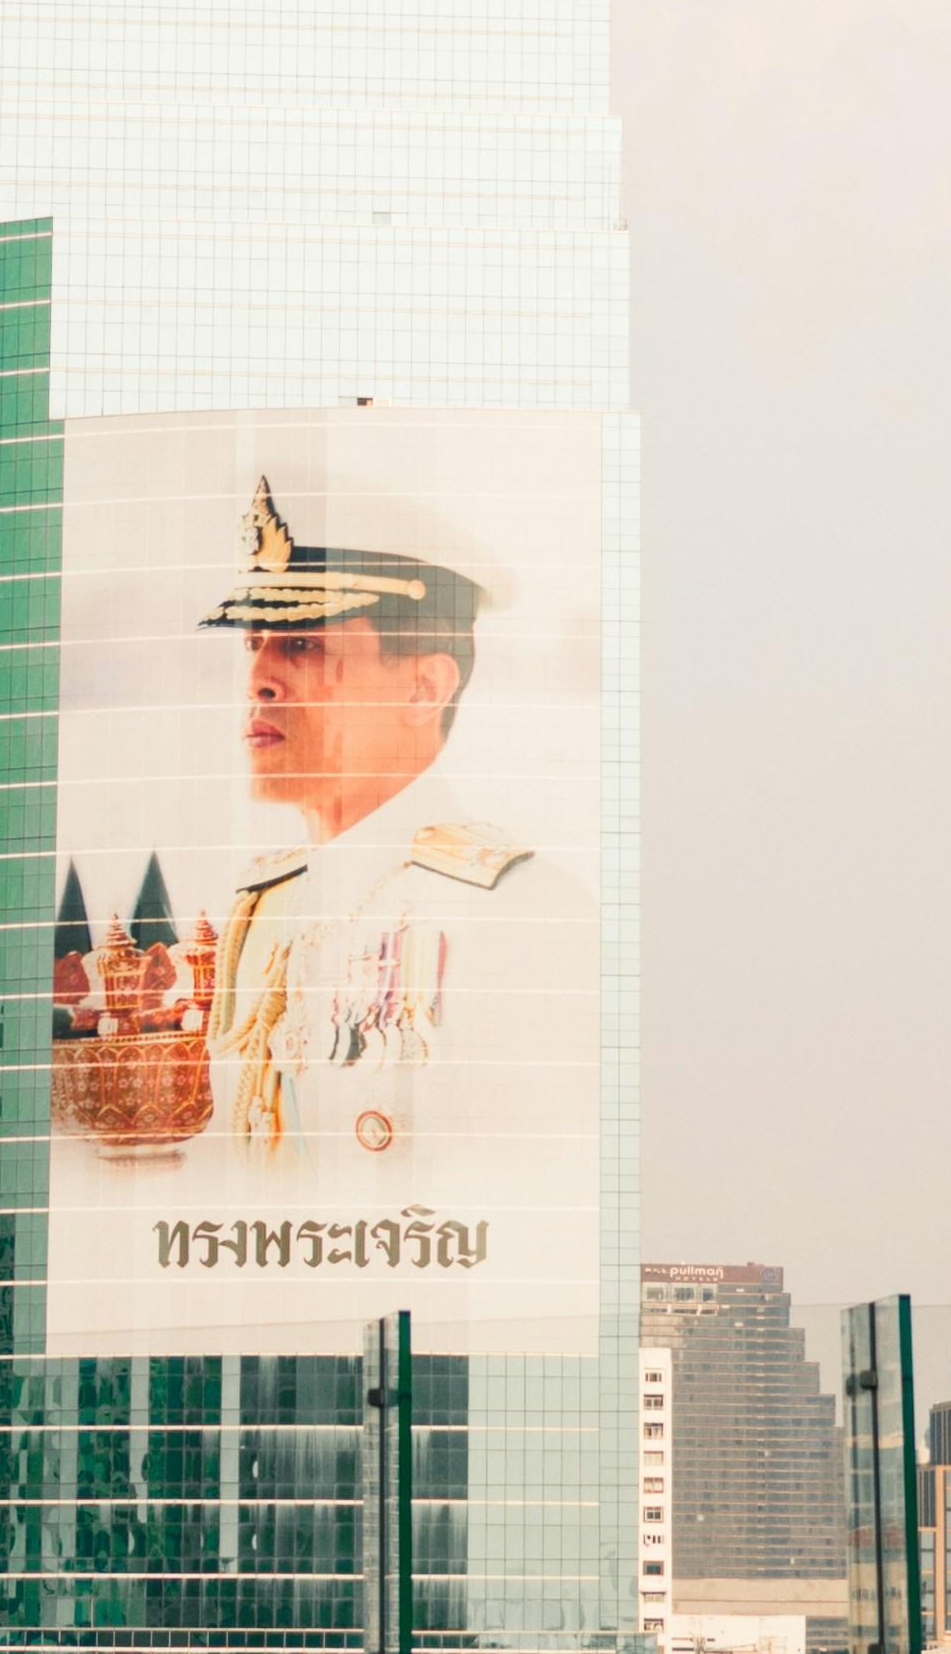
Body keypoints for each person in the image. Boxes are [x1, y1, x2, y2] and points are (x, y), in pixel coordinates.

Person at [51, 477, 585, 1213]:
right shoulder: (258, 908)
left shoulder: (522, 909)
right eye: (255, 644)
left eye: (303, 644)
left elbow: (544, 1192)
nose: (259, 680)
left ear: (425, 687)